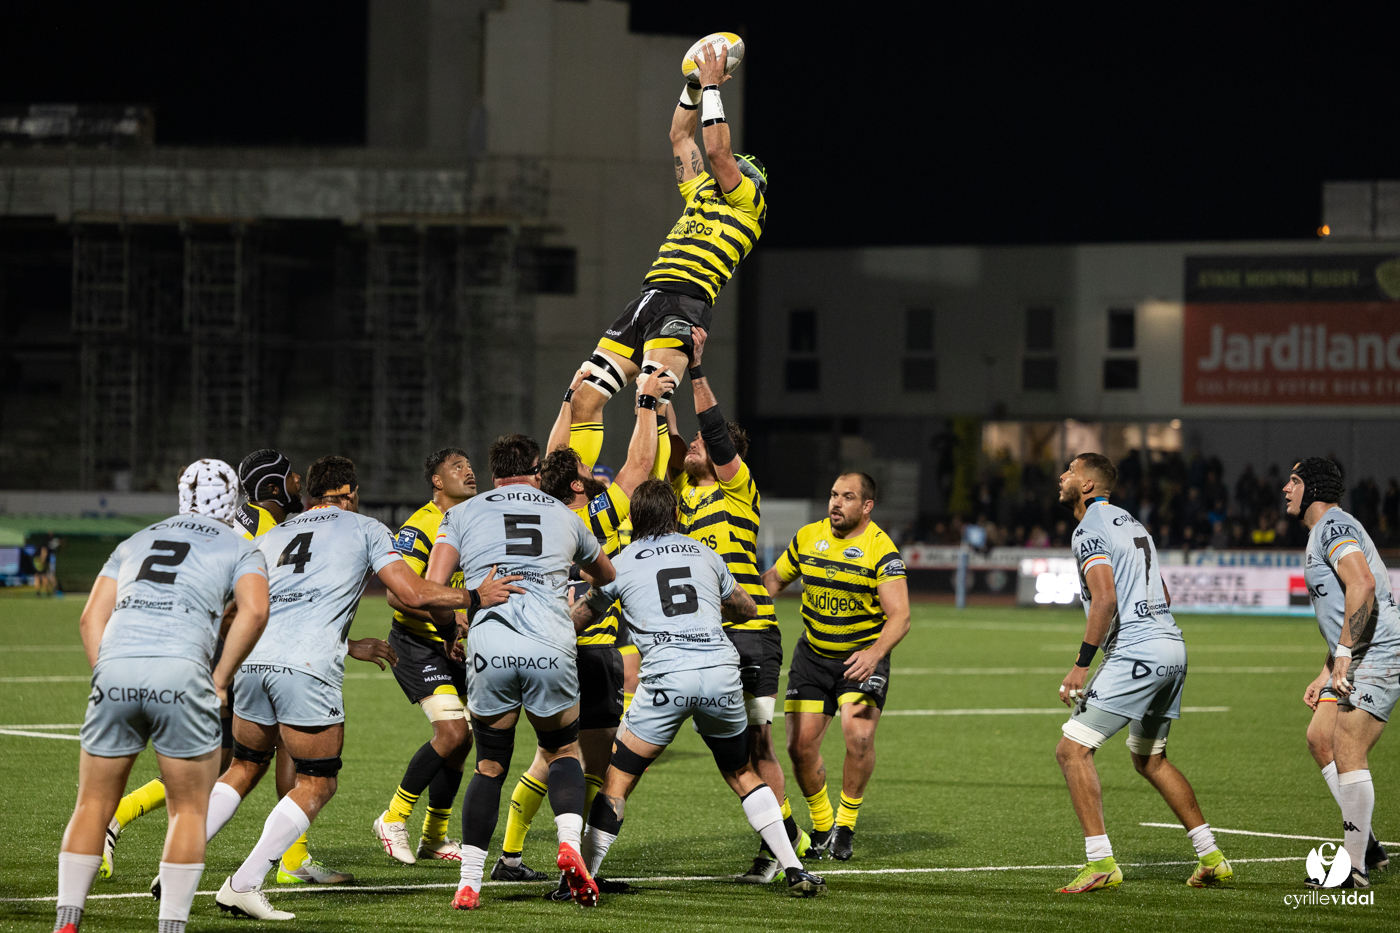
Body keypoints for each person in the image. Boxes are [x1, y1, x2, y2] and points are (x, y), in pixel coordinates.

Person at [206, 456, 512, 921]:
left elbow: (245, 609)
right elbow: (410, 593)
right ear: (348, 492)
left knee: (243, 767)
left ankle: (175, 866)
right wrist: (472, 597)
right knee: (317, 781)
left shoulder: (270, 536)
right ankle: (243, 884)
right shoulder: (365, 528)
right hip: (305, 670)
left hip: (253, 662)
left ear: (311, 495)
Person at [571, 478, 826, 899]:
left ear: (635, 519)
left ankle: (580, 878)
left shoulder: (621, 563)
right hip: (720, 671)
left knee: (617, 782)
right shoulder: (706, 554)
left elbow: (584, 616)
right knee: (742, 772)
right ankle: (794, 867)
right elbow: (747, 606)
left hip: (668, 678)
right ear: (675, 515)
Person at [54, 459, 270, 933]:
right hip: (182, 673)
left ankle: (66, 922)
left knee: (91, 805)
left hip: (115, 670)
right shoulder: (240, 545)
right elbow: (255, 612)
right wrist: (220, 677)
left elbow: (91, 618)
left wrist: (105, 674)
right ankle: (170, 927)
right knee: (188, 810)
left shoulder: (134, 540)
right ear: (232, 499)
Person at [102, 449, 336, 886]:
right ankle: (288, 860)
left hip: (197, 640)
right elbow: (258, 602)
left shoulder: (230, 519)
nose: (298, 486)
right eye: (291, 480)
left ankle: (115, 819)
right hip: (233, 649)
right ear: (272, 486)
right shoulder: (270, 528)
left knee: (232, 759)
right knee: (253, 756)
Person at [495, 369, 673, 895]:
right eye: (585, 468)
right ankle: (575, 864)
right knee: (592, 765)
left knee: (547, 757)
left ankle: (507, 854)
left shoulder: (545, 512)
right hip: (592, 653)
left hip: (542, 648)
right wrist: (644, 400)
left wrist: (572, 400)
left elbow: (556, 457)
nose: (594, 468)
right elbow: (640, 465)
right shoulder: (593, 512)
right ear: (576, 484)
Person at [425, 434, 616, 910]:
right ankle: (569, 844)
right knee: (562, 750)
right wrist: (574, 594)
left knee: (489, 765)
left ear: (493, 475)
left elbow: (431, 589)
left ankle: (469, 882)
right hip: (550, 643)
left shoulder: (461, 514)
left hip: (490, 646)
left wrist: (453, 626)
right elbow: (608, 575)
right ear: (535, 470)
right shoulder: (564, 515)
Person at [564, 41, 766, 476]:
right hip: (648, 299)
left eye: (736, 169)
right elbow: (680, 135)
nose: (725, 172)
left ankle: (647, 503)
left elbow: (716, 152)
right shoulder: (701, 196)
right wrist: (694, 85)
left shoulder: (749, 205)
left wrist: (713, 86)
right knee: (583, 398)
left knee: (649, 402)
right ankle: (574, 490)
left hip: (685, 305)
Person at [1053, 453, 1232, 893]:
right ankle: (1211, 856)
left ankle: (1101, 863)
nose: (1063, 476)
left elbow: (1105, 598)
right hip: (1171, 644)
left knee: (1071, 750)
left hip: (1139, 651)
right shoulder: (1132, 523)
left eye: (1071, 471)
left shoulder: (1089, 528)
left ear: (1089, 485)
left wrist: (1082, 665)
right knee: (1150, 759)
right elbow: (1162, 590)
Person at [660, 331, 802, 879]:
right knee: (732, 751)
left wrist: (695, 370)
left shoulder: (738, 487)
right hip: (709, 636)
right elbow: (673, 456)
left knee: (758, 743)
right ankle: (783, 836)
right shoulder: (686, 498)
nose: (697, 445)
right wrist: (660, 403)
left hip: (752, 630)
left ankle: (778, 848)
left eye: (704, 445)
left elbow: (715, 437)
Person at [763, 472, 911, 864]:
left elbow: (901, 616)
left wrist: (876, 652)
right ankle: (823, 824)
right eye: (833, 495)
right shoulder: (808, 537)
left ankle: (845, 825)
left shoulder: (881, 550)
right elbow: (774, 581)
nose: (835, 503)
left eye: (847, 497)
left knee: (858, 737)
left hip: (861, 657)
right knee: (799, 747)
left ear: (866, 507)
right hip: (812, 657)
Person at [1287, 458, 1398, 887]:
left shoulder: (1332, 527)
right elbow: (1342, 610)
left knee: (1347, 743)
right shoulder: (1324, 530)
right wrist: (1326, 668)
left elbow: (1363, 585)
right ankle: (1366, 842)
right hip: (1357, 653)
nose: (1285, 489)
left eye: (1294, 481)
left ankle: (1352, 868)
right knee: (1320, 738)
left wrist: (1345, 654)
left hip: (1381, 650)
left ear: (1312, 487)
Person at [372, 448, 480, 867]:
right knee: (453, 733)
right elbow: (399, 597)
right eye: (457, 468)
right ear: (437, 481)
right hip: (416, 645)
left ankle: (434, 837)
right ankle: (393, 818)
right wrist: (452, 619)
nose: (469, 473)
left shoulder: (473, 520)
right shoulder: (420, 527)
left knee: (464, 739)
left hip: (451, 641)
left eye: (470, 466)